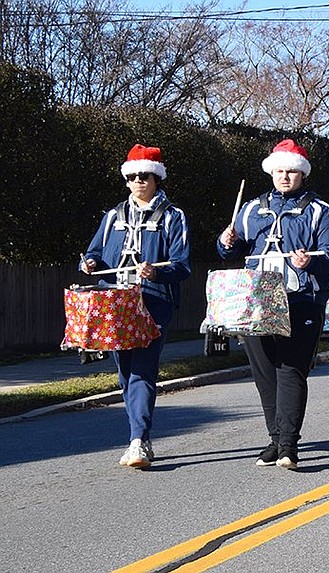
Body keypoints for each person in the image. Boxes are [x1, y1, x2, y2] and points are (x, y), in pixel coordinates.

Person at [217, 139, 329, 470]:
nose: (284, 176)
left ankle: (288, 444)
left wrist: (310, 261)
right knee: (264, 372)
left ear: (302, 173)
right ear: (271, 171)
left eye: (291, 171)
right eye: (279, 171)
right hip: (257, 300)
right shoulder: (252, 209)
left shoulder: (320, 211)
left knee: (291, 369)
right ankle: (276, 438)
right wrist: (225, 242)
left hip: (301, 298)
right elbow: (232, 250)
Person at [81, 144, 191, 469]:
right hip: (115, 301)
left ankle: (138, 441)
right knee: (125, 372)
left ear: (156, 179)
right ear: (126, 180)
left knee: (143, 368)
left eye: (144, 176)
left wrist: (156, 270)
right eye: (132, 176)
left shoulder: (173, 216)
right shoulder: (113, 215)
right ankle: (139, 436)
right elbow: (95, 251)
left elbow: (183, 265)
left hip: (154, 299)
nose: (138, 181)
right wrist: (88, 262)